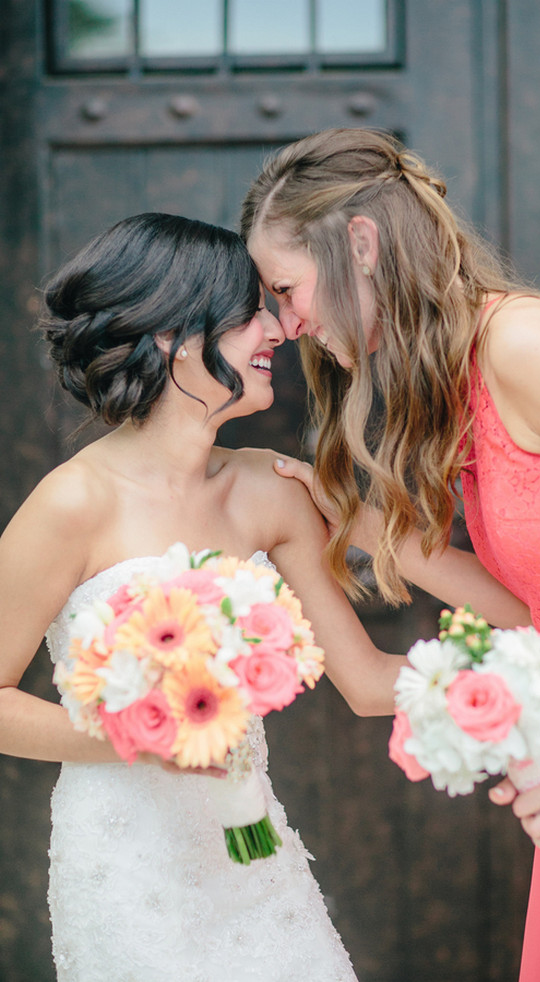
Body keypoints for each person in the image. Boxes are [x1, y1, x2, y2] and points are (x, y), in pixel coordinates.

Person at [241, 127, 540, 982]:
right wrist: (354, 525)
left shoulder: (522, 344)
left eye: (286, 287)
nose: (288, 323)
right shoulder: (460, 375)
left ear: (359, 243)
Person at [0, 211, 416, 982]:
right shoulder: (70, 505)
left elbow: (363, 683)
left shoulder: (269, 487)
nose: (279, 330)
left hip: (256, 865)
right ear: (172, 336)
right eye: (250, 311)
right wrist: (140, 735)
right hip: (129, 873)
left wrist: (523, 670)